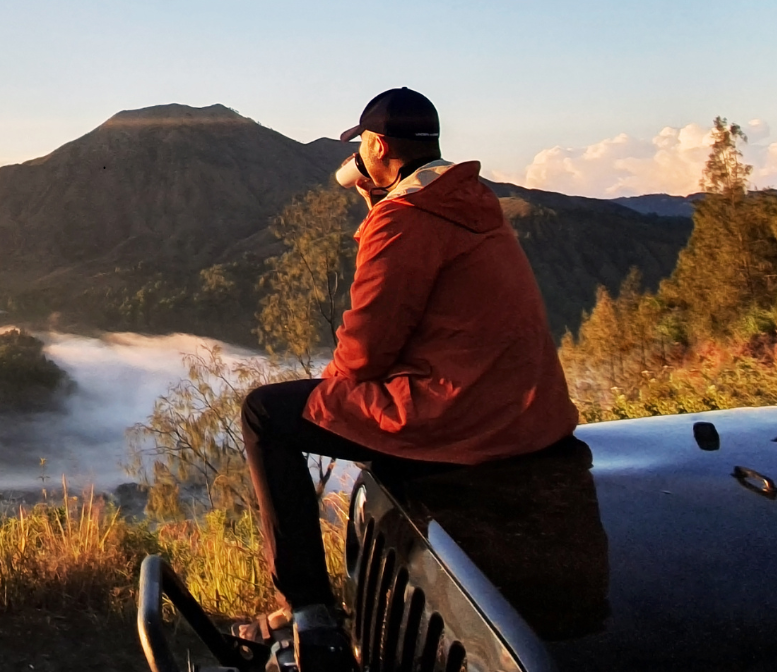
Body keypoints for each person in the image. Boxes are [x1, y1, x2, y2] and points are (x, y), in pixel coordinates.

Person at [242, 88, 579, 672]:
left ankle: (309, 613)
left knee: (265, 414)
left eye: (362, 146)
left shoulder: (403, 220)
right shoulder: (472, 199)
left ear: (376, 146)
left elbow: (364, 353)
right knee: (337, 409)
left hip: (460, 415)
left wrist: (333, 392)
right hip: (528, 412)